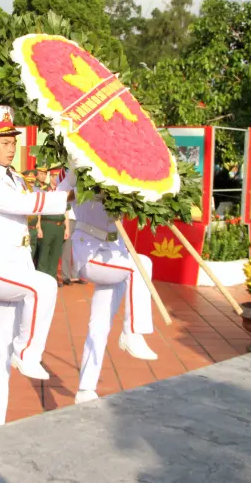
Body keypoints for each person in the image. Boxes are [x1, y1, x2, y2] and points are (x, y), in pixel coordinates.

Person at [0, 106, 73, 431]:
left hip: (17, 261)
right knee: (44, 286)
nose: (11, 147)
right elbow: (25, 206)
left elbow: (48, 195)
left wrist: (74, 167)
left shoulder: (15, 177)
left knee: (0, 346)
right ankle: (28, 352)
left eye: (13, 141)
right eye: (3, 141)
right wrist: (65, 198)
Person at [60, 164, 160, 404]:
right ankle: (132, 332)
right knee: (141, 264)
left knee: (100, 323)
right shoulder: (72, 167)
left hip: (116, 250)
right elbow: (60, 192)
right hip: (89, 251)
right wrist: (77, 168)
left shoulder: (122, 167)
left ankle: (86, 389)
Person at [35, 162, 68, 286]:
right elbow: (38, 209)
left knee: (55, 254)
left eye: (58, 177)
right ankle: (41, 280)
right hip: (47, 224)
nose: (55, 179)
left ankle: (52, 278)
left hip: (60, 226)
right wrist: (38, 226)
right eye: (53, 176)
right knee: (44, 253)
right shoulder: (44, 191)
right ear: (51, 177)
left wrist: (67, 228)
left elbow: (66, 211)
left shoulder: (62, 192)